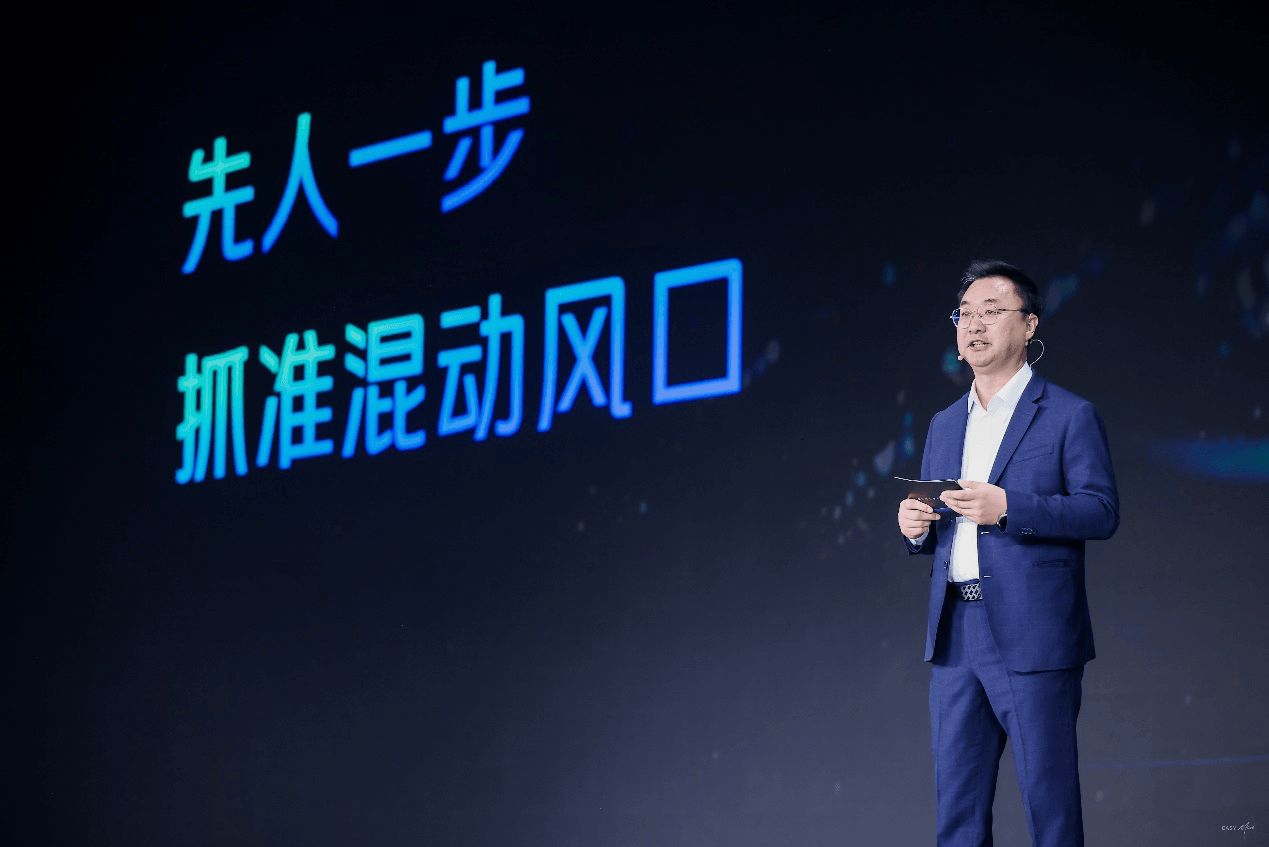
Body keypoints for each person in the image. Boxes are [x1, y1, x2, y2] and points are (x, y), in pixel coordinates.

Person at [896, 260, 1119, 846]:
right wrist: (915, 528)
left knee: (1051, 811)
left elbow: (1100, 511)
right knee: (958, 817)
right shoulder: (944, 424)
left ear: (1029, 325)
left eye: (992, 311)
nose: (974, 325)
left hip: (1034, 631)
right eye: (965, 314)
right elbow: (941, 524)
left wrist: (1010, 508)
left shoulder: (1068, 414)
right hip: (955, 634)